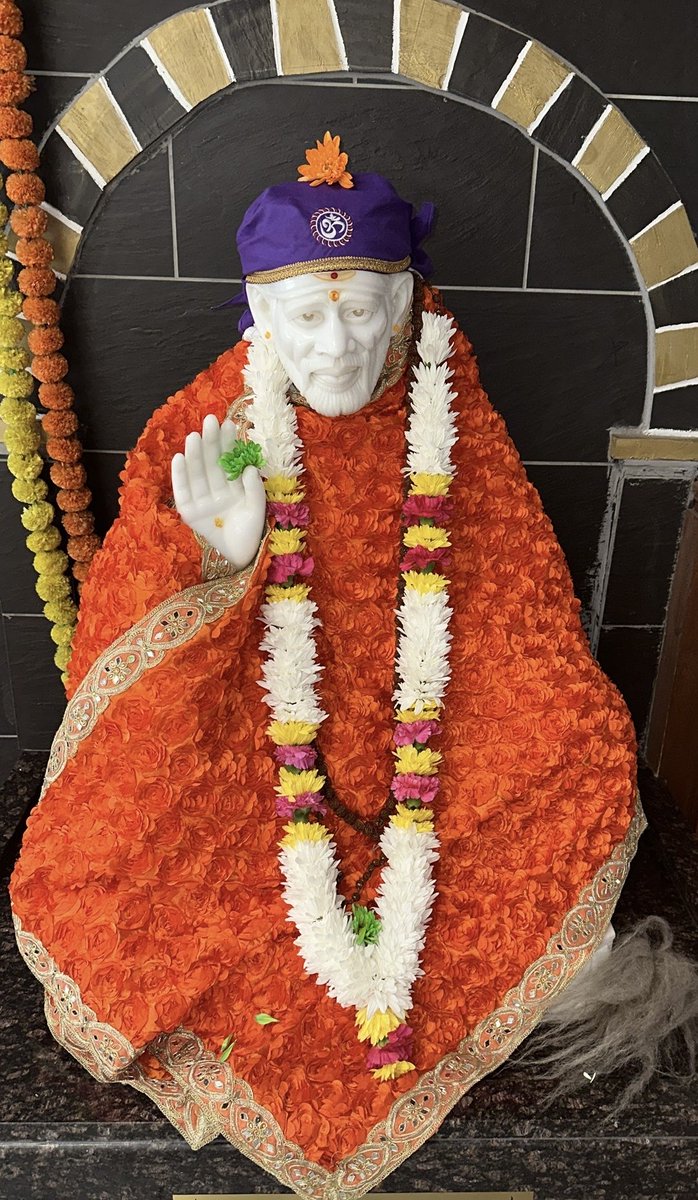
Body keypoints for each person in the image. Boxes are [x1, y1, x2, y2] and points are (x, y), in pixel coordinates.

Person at [9, 133, 694, 1196]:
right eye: (304, 318)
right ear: (259, 317)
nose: (333, 348)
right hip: (258, 764)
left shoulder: (451, 421)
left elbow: (520, 614)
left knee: (584, 748)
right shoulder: (209, 425)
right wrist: (215, 565)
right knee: (139, 861)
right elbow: (122, 634)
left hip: (433, 746)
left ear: (409, 312)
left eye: (360, 313)